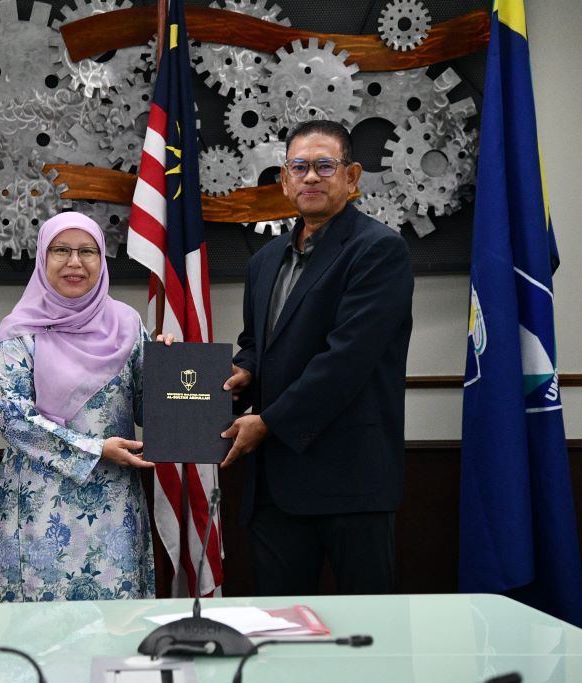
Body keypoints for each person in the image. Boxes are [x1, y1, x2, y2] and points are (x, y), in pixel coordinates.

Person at [221, 120, 414, 596]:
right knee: (280, 627)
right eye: (299, 167)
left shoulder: (379, 250)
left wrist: (268, 421)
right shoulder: (264, 261)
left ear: (351, 176)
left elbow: (346, 360)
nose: (311, 177)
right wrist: (245, 369)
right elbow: (256, 342)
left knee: (370, 631)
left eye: (325, 166)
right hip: (275, 485)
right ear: (284, 180)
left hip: (351, 479)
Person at [0, 211, 164, 603]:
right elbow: (12, 418)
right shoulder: (20, 335)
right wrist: (96, 449)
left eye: (87, 251)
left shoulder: (128, 324)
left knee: (116, 620)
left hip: (114, 506)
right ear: (42, 258)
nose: (74, 262)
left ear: (101, 259)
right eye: (61, 250)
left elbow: (148, 410)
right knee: (43, 622)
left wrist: (169, 367)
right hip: (41, 507)